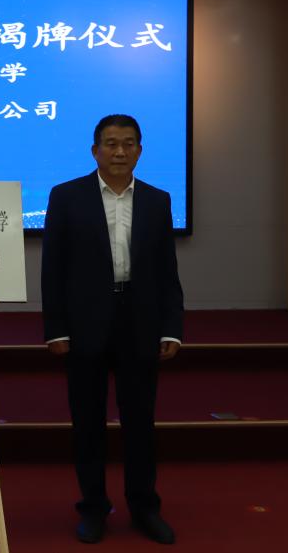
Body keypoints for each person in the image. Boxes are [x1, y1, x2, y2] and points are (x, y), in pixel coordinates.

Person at [41, 114, 183, 545]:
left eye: (128, 143)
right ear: (95, 150)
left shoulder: (157, 200)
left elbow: (167, 270)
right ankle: (93, 508)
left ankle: (144, 507)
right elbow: (53, 268)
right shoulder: (66, 196)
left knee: (140, 423)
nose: (119, 151)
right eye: (111, 143)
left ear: (140, 150)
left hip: (140, 322)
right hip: (85, 323)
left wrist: (171, 328)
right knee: (87, 424)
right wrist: (56, 329)